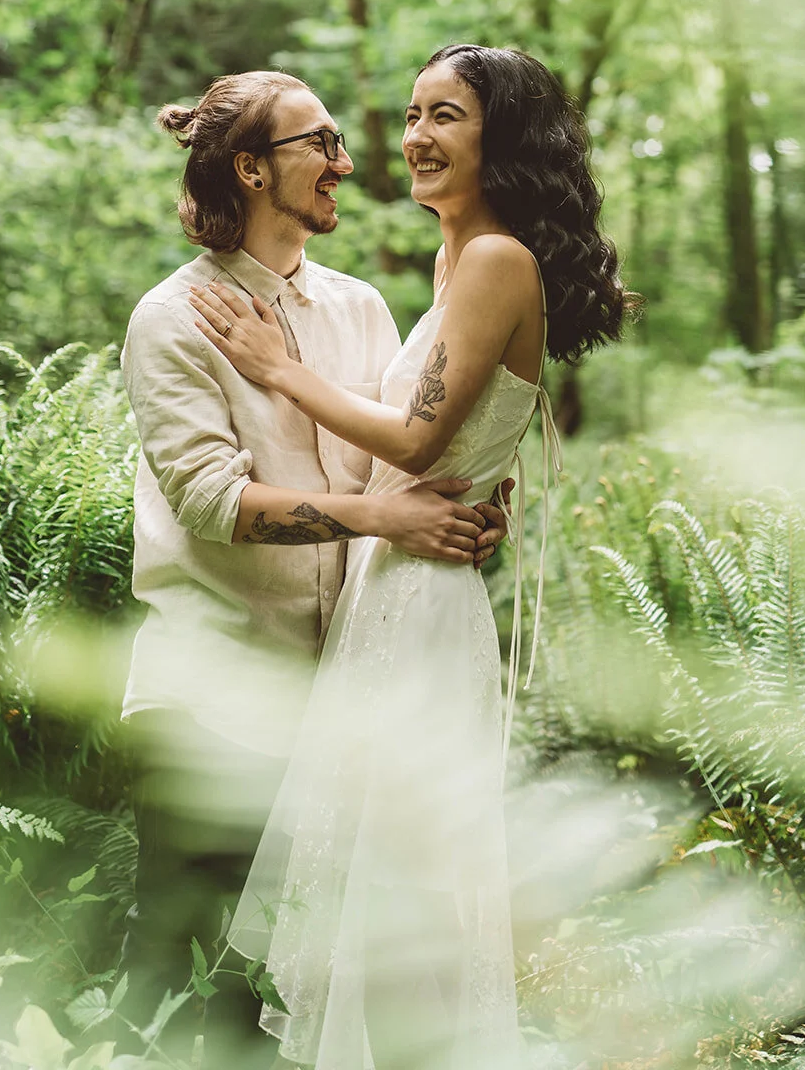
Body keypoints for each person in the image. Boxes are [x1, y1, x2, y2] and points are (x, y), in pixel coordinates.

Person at [190, 45, 631, 1070]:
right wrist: (482, 489)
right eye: (412, 113)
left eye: (448, 117)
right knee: (367, 897)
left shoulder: (493, 261)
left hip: (424, 612)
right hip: (391, 587)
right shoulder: (458, 258)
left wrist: (276, 368)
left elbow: (418, 442)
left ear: (500, 139)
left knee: (403, 896)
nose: (416, 138)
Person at [118, 68, 510, 1066]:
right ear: (251, 169)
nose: (344, 162)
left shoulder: (361, 306)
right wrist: (382, 514)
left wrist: (458, 516)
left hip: (345, 697)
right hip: (213, 697)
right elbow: (210, 503)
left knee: (317, 993)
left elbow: (399, 459)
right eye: (318, 144)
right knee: (193, 993)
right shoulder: (173, 319)